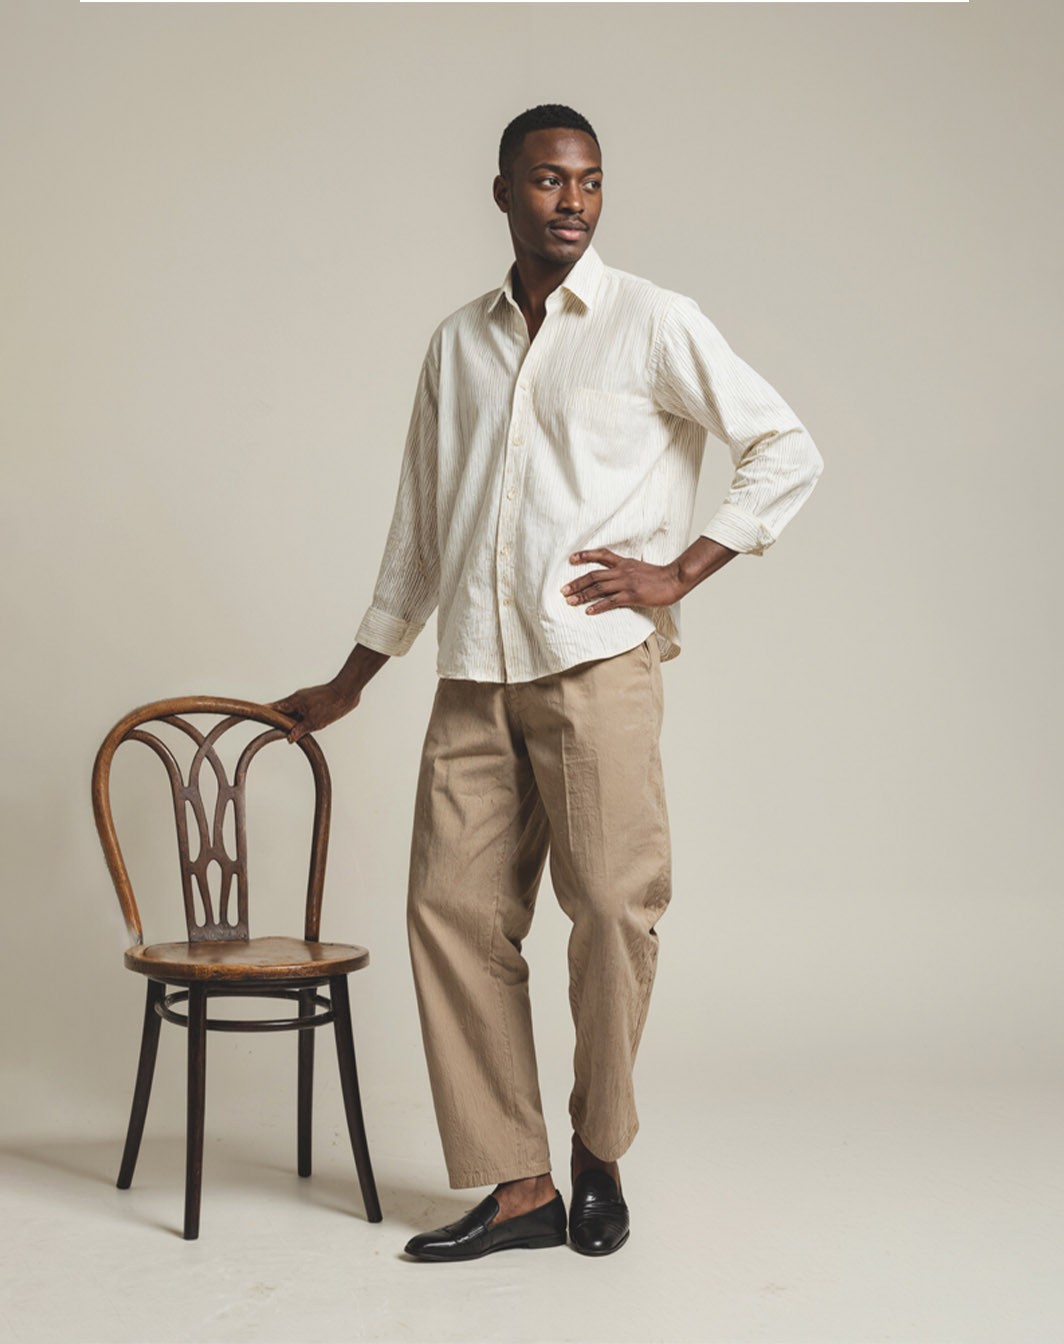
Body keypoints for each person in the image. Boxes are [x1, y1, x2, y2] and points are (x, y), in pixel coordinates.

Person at [269, 102, 823, 1261]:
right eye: (546, 180)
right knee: (453, 915)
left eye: (589, 182)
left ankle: (597, 1151)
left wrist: (682, 569)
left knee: (614, 914)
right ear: (502, 193)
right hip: (473, 673)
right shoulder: (456, 344)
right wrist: (353, 679)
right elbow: (423, 530)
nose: (571, 201)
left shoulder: (651, 322)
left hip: (593, 672)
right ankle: (518, 1186)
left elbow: (784, 446)